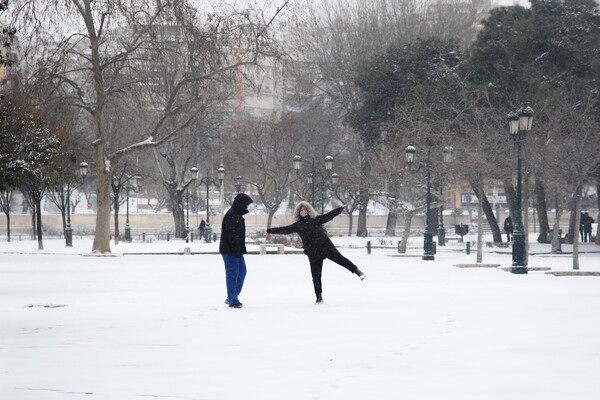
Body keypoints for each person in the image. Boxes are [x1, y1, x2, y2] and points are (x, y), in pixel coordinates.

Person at [266, 201, 366, 304]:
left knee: (341, 260)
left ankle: (358, 272)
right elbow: (284, 230)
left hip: (325, 246)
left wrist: (339, 209)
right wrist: (269, 231)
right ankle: (319, 298)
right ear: (298, 212)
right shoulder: (298, 225)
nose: (303, 211)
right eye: (301, 210)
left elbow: (328, 216)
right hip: (313, 252)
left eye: (305, 209)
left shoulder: (316, 219)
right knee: (316, 276)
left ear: (309, 210)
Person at [219, 193, 253, 308]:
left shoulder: (236, 214)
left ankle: (231, 297)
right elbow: (231, 236)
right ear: (241, 204)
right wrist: (236, 250)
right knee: (232, 275)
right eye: (247, 205)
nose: (247, 207)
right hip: (230, 250)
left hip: (235, 250)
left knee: (242, 272)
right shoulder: (232, 215)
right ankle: (233, 300)